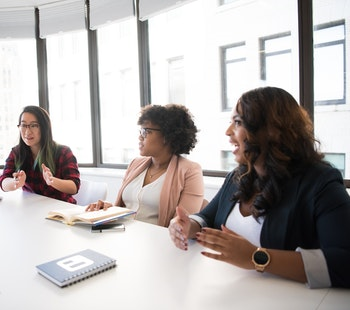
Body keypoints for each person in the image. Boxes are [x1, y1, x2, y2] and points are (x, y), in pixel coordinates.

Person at [169, 86, 350, 289]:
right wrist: (188, 225)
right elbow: (207, 218)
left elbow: (344, 262)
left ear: (272, 130)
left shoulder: (320, 182)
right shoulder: (238, 176)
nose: (228, 132)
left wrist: (256, 257)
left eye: (237, 122)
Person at [86, 104, 204, 227]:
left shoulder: (190, 171)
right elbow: (126, 208)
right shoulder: (135, 164)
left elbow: (183, 225)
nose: (140, 137)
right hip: (122, 235)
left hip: (156, 242)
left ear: (168, 136)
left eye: (146, 131)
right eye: (140, 131)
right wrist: (108, 209)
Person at [0, 105, 80, 204]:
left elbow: (74, 187)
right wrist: (15, 182)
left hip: (60, 210)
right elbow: (3, 182)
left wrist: (52, 181)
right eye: (24, 125)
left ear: (44, 128)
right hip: (32, 208)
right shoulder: (17, 152)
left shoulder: (63, 152)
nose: (27, 132)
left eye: (34, 125)